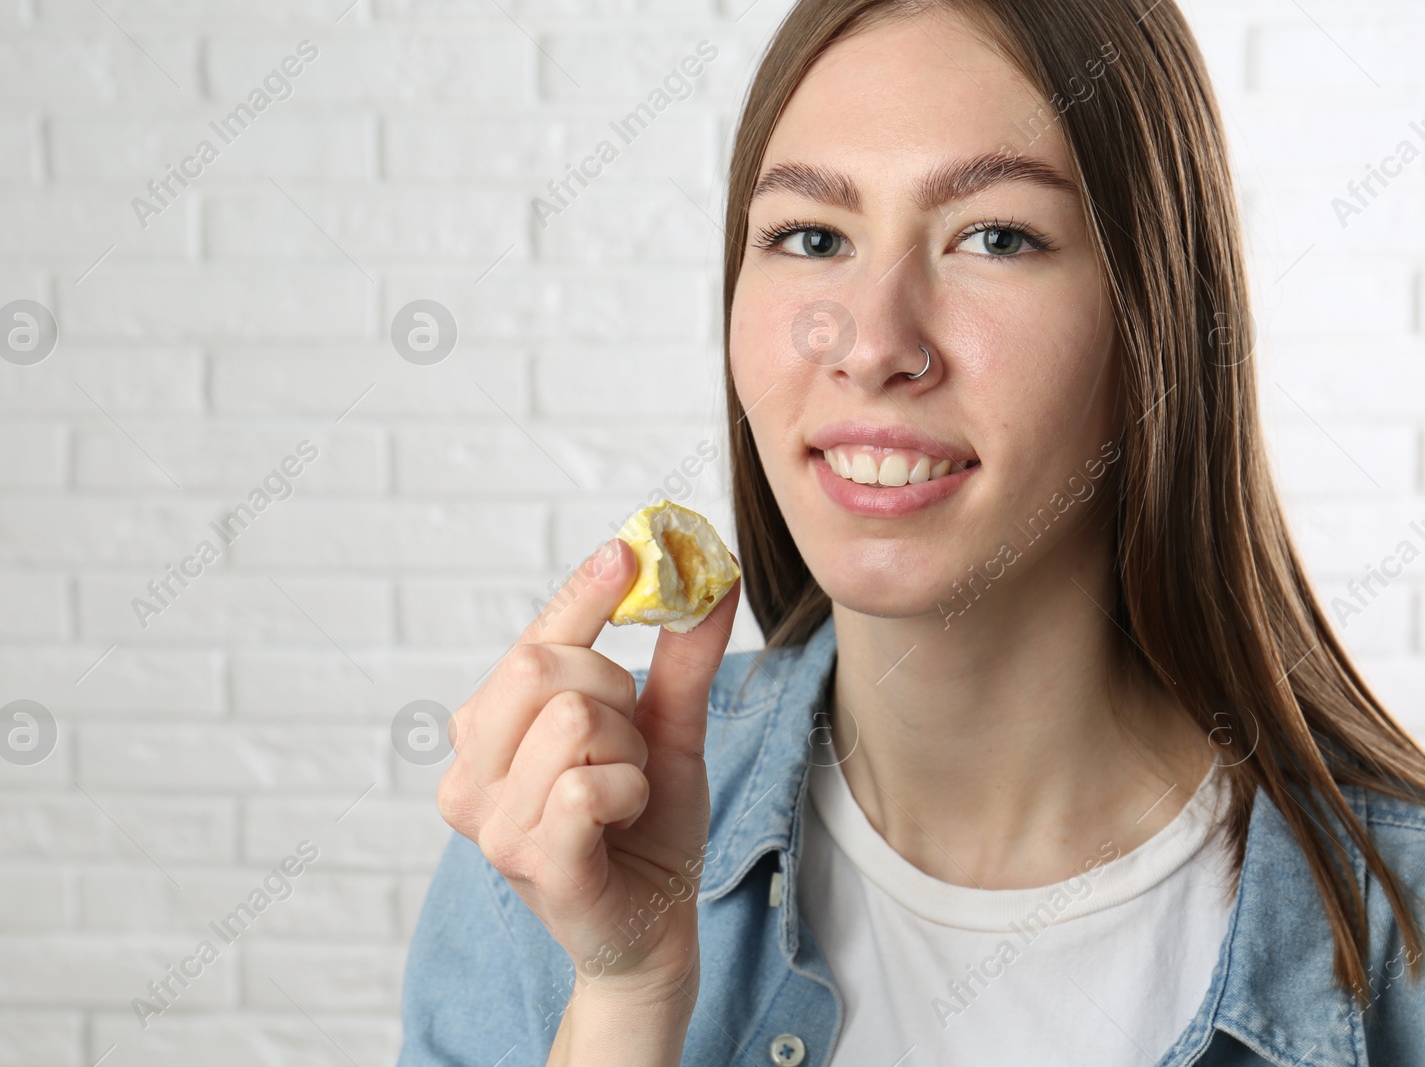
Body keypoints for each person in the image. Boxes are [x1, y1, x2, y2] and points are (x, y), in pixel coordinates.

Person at [397, 1, 1425, 1064]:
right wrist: (623, 992)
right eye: (812, 236)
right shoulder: (554, 838)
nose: (873, 341)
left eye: (995, 236)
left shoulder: (1405, 937)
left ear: (1153, 318)